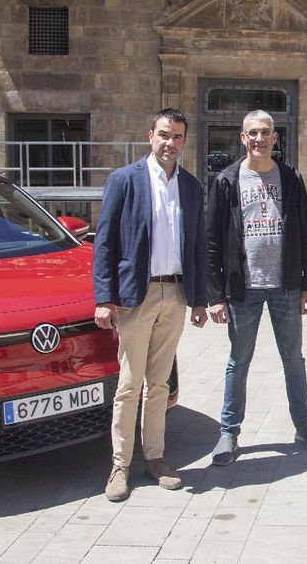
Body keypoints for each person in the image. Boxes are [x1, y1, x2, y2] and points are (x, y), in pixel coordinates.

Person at [93, 108, 208, 502]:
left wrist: (199, 300)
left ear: (184, 142)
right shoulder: (125, 181)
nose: (169, 143)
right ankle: (119, 465)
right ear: (150, 135)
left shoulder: (191, 186)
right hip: (135, 298)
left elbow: (196, 246)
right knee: (129, 384)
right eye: (164, 134)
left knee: (160, 384)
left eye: (177, 137)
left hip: (174, 294)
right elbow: (105, 242)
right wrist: (104, 298)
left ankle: (156, 458)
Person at [206, 110, 307, 465]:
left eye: (265, 133)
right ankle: (229, 433)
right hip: (243, 289)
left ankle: (303, 425)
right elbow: (211, 241)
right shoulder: (226, 180)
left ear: (275, 138)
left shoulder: (290, 178)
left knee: (294, 359)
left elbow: (306, 232)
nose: (259, 139)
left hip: (285, 286)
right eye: (252, 133)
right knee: (238, 362)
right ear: (242, 138)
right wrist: (215, 295)